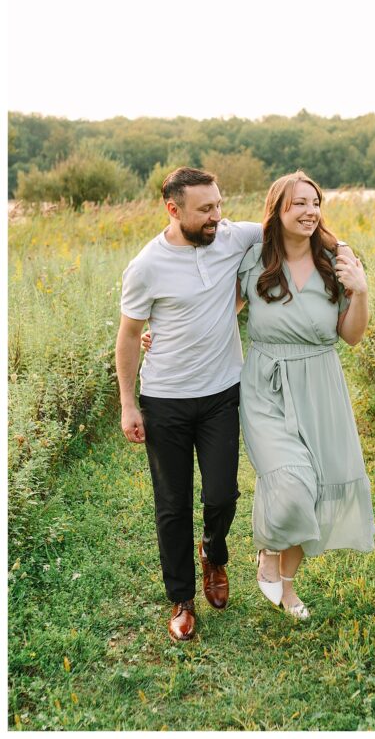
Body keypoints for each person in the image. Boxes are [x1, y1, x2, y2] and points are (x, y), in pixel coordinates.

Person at [116, 167, 263, 641]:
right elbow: (130, 335)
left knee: (223, 493)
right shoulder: (146, 266)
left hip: (222, 393)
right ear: (173, 210)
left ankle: (214, 555)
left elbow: (290, 224)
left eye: (219, 204)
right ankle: (181, 598)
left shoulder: (230, 236)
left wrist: (340, 253)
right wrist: (128, 403)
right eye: (205, 209)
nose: (217, 216)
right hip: (165, 402)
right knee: (172, 504)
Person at [237, 171, 375, 619]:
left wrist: (361, 291)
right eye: (298, 203)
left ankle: (289, 587)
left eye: (315, 202)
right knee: (293, 481)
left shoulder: (334, 264)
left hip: (321, 384)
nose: (309, 211)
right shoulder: (253, 261)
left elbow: (351, 336)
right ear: (277, 210)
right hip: (265, 384)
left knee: (315, 489)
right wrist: (160, 337)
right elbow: (218, 312)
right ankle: (267, 553)